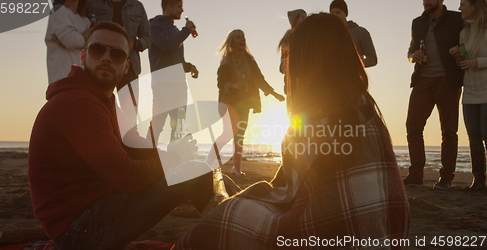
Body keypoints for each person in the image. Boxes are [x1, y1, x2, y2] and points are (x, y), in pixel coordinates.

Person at [175, 13, 409, 250]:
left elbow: (290, 197)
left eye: (290, 59)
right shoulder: (366, 108)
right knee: (229, 170)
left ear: (304, 62)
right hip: (385, 231)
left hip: (325, 231)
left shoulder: (313, 119)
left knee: (209, 226)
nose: (287, 68)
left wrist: (240, 200)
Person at [29, 21, 231, 249]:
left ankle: (245, 217)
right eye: (98, 50)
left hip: (95, 208)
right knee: (198, 174)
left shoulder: (104, 102)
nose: (106, 58)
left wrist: (179, 156)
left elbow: (140, 150)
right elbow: (128, 177)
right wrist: (174, 158)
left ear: (127, 66)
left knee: (212, 175)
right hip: (76, 230)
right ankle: (234, 238)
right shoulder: (78, 103)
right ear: (83, 56)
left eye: (116, 54)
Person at [206, 29, 285, 176]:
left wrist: (274, 93)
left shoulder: (249, 60)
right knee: (228, 133)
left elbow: (259, 79)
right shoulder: (226, 61)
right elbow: (220, 83)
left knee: (240, 135)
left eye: (243, 37)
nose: (242, 40)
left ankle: (236, 168)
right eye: (238, 38)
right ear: (232, 43)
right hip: (229, 103)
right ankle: (208, 162)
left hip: (245, 103)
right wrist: (234, 86)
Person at [404, 0, 464, 189]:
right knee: (413, 126)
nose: (426, 2)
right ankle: (415, 174)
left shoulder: (457, 18)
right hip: (422, 80)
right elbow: (410, 50)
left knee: (448, 130)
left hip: (448, 80)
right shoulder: (417, 22)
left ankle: (446, 177)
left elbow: (473, 34)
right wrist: (413, 55)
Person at [86, 0, 151, 125]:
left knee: (130, 119)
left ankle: (128, 143)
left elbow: (147, 38)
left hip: (129, 67)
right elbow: (82, 26)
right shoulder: (94, 3)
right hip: (100, 66)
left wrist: (134, 43)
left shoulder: (137, 7)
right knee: (96, 112)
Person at [148, 0, 199, 145]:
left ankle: (173, 159)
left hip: (179, 84)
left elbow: (177, 60)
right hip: (163, 83)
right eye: (179, 7)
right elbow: (167, 46)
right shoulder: (155, 26)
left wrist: (190, 67)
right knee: (158, 124)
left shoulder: (175, 30)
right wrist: (186, 30)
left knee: (178, 125)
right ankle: (145, 156)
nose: (182, 11)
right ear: (169, 6)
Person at [449, 0, 487, 191]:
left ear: (475, 6)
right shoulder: (464, 33)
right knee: (473, 136)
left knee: (486, 134)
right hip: (470, 91)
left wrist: (477, 62)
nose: (459, 8)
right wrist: (458, 56)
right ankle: (478, 180)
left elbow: (474, 61)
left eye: (463, 4)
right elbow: (464, 63)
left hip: (486, 90)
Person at [45, 0, 91, 84]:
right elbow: (71, 41)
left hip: (81, 80)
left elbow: (91, 44)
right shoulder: (58, 11)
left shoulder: (85, 21)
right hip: (62, 78)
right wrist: (87, 34)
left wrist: (80, 37)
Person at [329, 0, 378, 68]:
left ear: (345, 14)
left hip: (354, 77)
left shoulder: (360, 32)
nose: (334, 15)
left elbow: (373, 59)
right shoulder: (327, 35)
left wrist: (355, 64)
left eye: (338, 12)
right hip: (331, 77)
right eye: (332, 13)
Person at [278, 9, 307, 114]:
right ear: (295, 21)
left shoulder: (310, 36)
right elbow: (282, 66)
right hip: (293, 85)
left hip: (309, 83)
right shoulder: (287, 40)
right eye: (302, 17)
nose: (306, 19)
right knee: (295, 116)